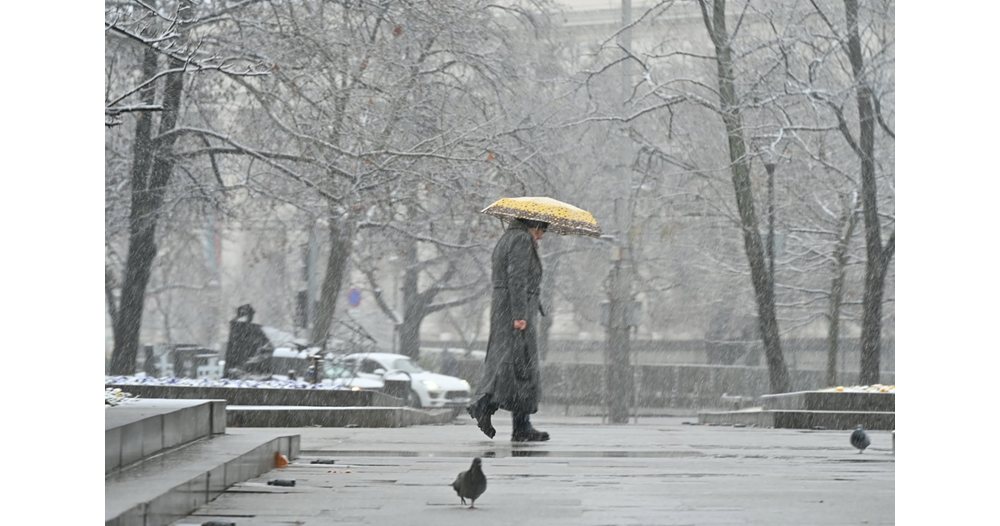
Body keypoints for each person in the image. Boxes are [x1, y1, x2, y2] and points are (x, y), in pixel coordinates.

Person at [467, 217, 550, 442]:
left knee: (509, 366)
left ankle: (513, 420)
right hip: (515, 314)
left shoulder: (507, 238)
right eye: (542, 230)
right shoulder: (522, 240)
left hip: (504, 310)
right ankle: (490, 409)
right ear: (535, 225)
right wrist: (520, 315)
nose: (542, 236)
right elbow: (517, 278)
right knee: (522, 367)